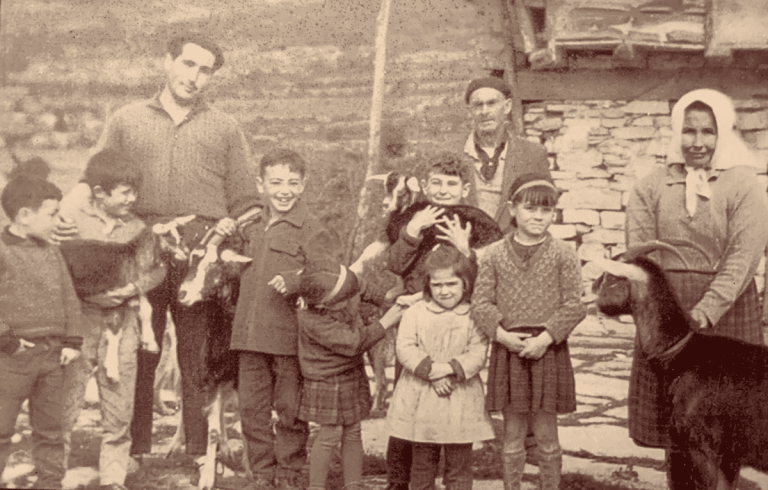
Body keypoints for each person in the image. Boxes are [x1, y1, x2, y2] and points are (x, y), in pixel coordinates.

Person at [97, 32, 261, 461]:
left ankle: (197, 453)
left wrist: (230, 241)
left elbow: (247, 200)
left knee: (196, 357)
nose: (195, 77)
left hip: (200, 260)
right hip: (140, 252)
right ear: (167, 61)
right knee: (139, 351)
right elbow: (97, 179)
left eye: (205, 70)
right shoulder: (126, 120)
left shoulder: (225, 127)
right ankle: (134, 452)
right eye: (188, 64)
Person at [625, 88, 768, 449]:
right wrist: (665, 318)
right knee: (676, 425)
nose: (698, 142)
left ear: (723, 133)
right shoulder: (650, 187)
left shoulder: (743, 185)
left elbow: (743, 256)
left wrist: (705, 311)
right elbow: (642, 260)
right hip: (669, 316)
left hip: (728, 308)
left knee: (730, 423)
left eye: (708, 131)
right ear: (677, 132)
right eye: (689, 131)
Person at [215, 148, 330, 490]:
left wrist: (298, 281)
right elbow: (224, 265)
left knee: (290, 409)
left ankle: (289, 474)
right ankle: (262, 475)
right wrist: (223, 233)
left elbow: (327, 277)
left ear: (303, 185)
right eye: (276, 182)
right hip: (248, 338)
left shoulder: (311, 229)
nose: (284, 190)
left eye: (292, 183)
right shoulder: (248, 226)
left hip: (289, 339)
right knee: (251, 410)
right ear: (260, 184)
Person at [383, 152, 491, 490]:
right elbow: (395, 264)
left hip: (458, 323)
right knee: (409, 401)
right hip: (418, 321)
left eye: (451, 184)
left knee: (453, 408)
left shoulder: (474, 224)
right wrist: (411, 232)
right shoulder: (414, 217)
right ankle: (400, 482)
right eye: (437, 183)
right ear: (426, 186)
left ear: (465, 189)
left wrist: (465, 249)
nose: (443, 190)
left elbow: (485, 280)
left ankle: (453, 476)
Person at [471, 173, 586, 490]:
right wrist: (502, 336)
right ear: (512, 209)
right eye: (530, 208)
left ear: (554, 213)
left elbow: (574, 306)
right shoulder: (494, 253)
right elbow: (480, 303)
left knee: (547, 437)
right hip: (510, 352)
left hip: (547, 351)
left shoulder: (563, 253)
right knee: (512, 436)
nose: (538, 216)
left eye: (546, 210)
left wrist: (545, 339)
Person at [59, 149, 166, 490]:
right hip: (80, 322)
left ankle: (113, 478)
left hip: (122, 323)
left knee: (119, 404)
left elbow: (157, 269)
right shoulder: (70, 222)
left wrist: (132, 289)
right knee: (66, 401)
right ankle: (52, 472)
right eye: (125, 192)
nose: (132, 199)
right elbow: (55, 265)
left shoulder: (138, 229)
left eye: (135, 192)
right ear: (99, 193)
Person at [286, 258, 404, 490]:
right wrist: (386, 322)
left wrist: (385, 297)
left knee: (353, 430)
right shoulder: (313, 321)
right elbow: (354, 343)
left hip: (349, 375)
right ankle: (316, 486)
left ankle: (353, 484)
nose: (351, 299)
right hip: (327, 381)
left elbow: (359, 286)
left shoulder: (338, 289)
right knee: (330, 435)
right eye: (345, 297)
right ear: (324, 305)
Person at [0, 176, 84, 490]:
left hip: (53, 357)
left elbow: (69, 296)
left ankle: (50, 483)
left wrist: (72, 340)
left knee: (51, 431)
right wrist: (6, 340)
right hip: (11, 358)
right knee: (1, 428)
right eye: (52, 213)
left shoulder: (52, 252)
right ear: (24, 215)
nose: (58, 221)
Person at [387, 244, 494, 490]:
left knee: (459, 464)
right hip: (421, 397)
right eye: (437, 285)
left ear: (465, 284)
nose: (444, 291)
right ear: (428, 285)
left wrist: (448, 369)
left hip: (459, 396)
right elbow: (405, 347)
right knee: (423, 462)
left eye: (451, 284)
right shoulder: (415, 312)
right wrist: (432, 373)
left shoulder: (473, 315)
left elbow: (478, 353)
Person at [461, 76, 551, 233]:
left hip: (514, 242)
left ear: (507, 106)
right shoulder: (454, 155)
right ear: (470, 111)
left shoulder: (533, 154)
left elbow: (544, 204)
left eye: (492, 103)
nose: (484, 111)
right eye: (478, 105)